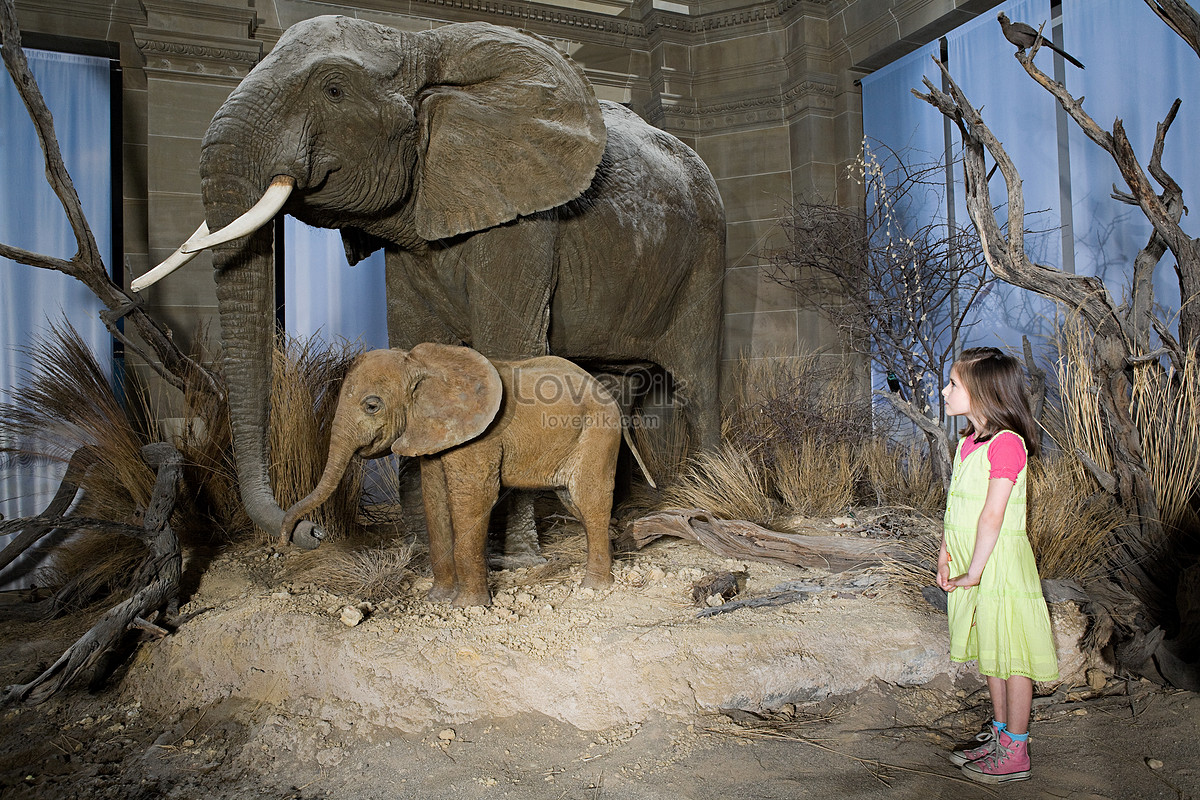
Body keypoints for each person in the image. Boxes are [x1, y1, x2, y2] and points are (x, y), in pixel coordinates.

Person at [937, 347, 1058, 784]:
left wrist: (975, 571)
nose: (945, 390)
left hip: (1000, 564)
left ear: (983, 391)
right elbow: (956, 510)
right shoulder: (967, 443)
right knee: (992, 651)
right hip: (972, 561)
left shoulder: (1007, 445)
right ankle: (1001, 732)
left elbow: (993, 514)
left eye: (953, 383)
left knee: (1013, 654)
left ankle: (1016, 749)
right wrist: (947, 556)